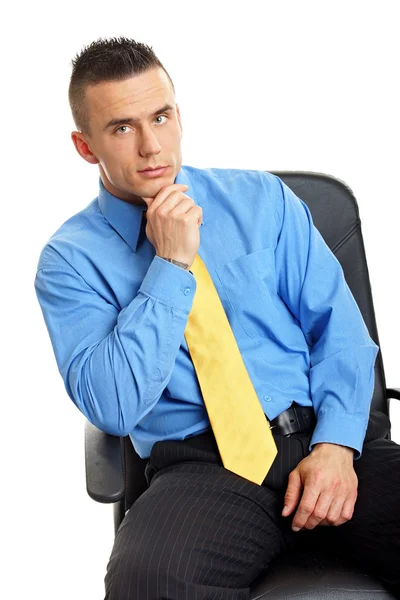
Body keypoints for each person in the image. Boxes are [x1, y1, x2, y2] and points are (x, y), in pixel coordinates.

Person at [34, 36, 400, 599]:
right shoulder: (70, 262)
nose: (152, 146)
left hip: (324, 442)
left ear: (178, 115)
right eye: (123, 128)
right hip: (203, 472)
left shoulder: (263, 201)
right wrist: (171, 266)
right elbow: (113, 405)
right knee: (148, 584)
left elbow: (343, 336)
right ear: (87, 147)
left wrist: (336, 446)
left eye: (160, 116)